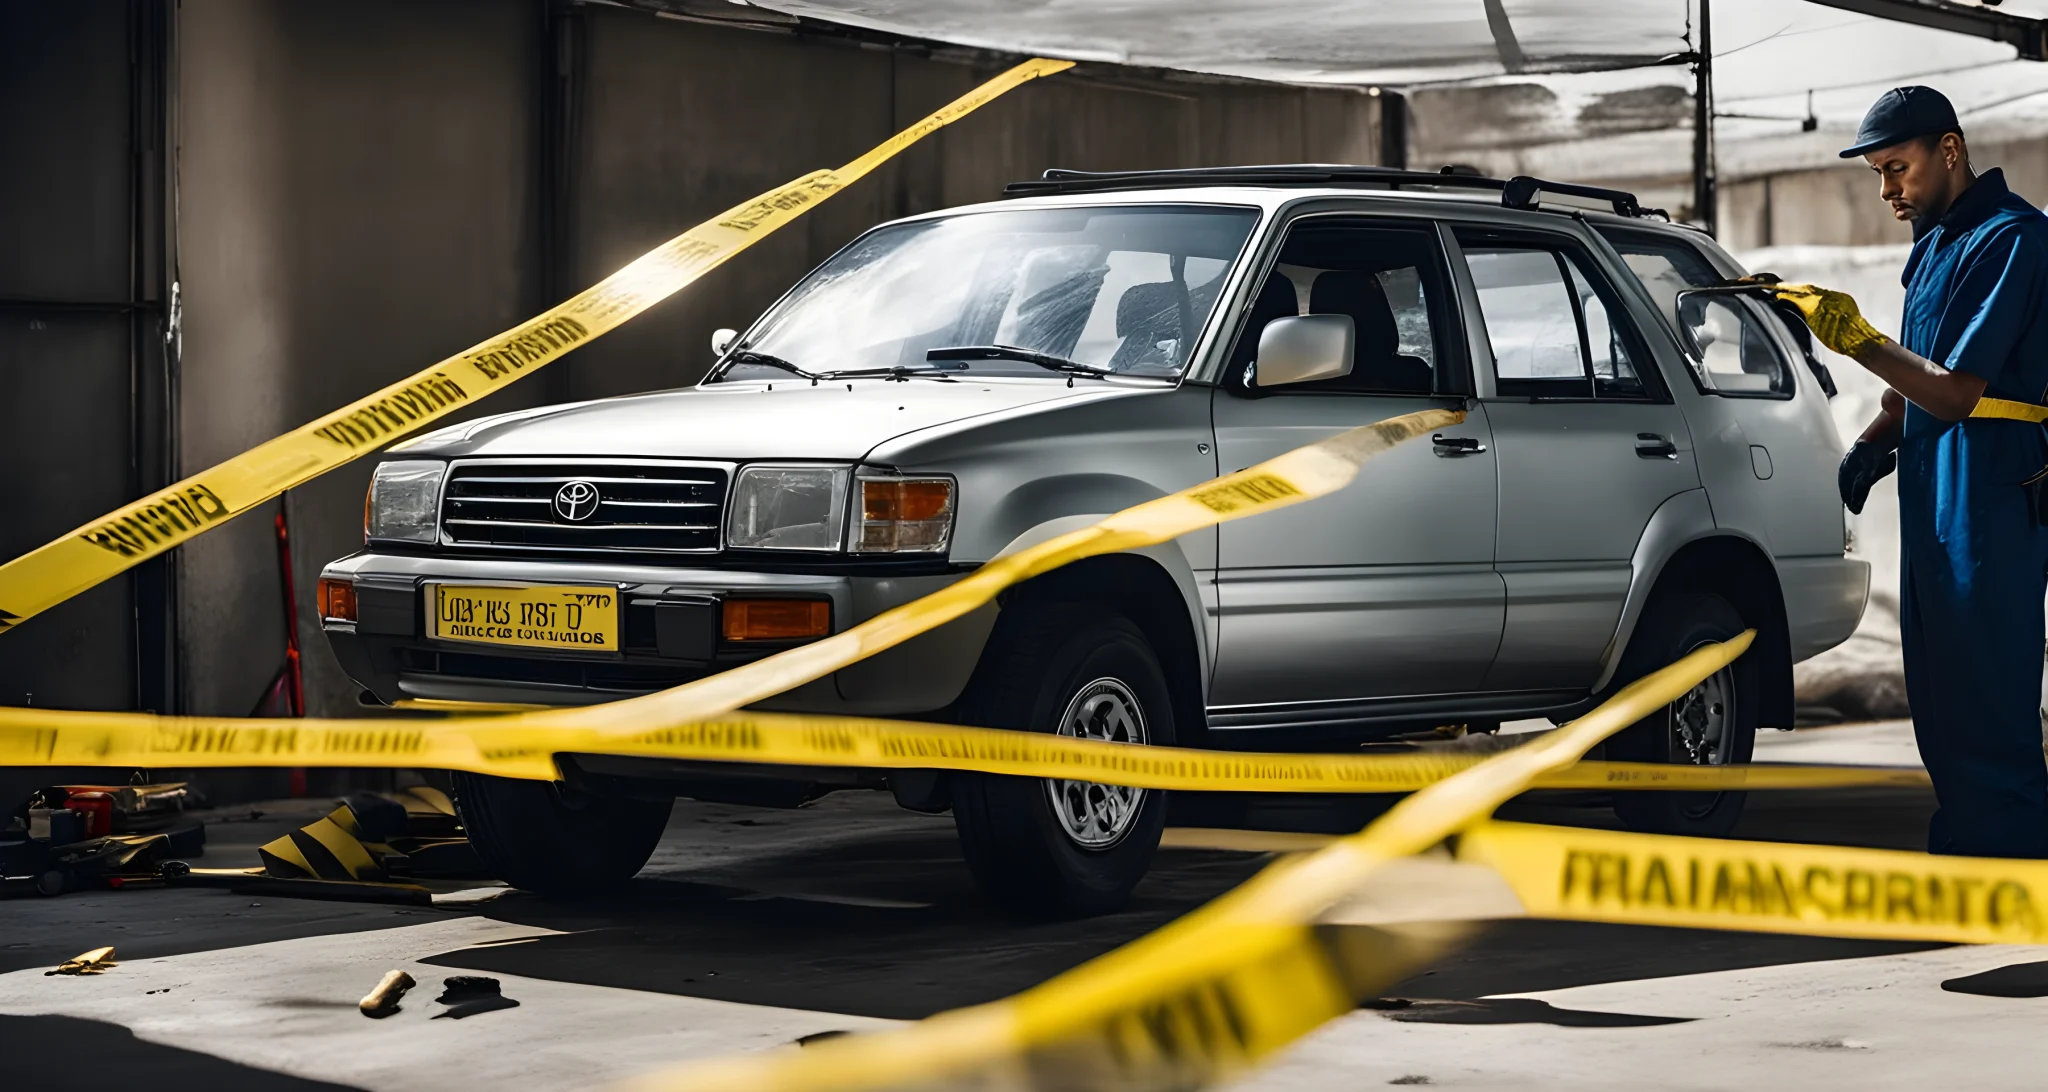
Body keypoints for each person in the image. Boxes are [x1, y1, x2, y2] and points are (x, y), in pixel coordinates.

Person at [1773, 85, 2048, 859]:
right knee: (1938, 688)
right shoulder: (1935, 241)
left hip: (1992, 486)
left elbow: (1958, 390)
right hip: (1936, 478)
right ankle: (1965, 842)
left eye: (1897, 169)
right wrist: (1877, 438)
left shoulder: (2012, 238)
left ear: (1950, 150)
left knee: (1987, 683)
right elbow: (1919, 376)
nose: (1888, 190)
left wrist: (1851, 337)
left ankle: (2012, 858)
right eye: (1877, 175)